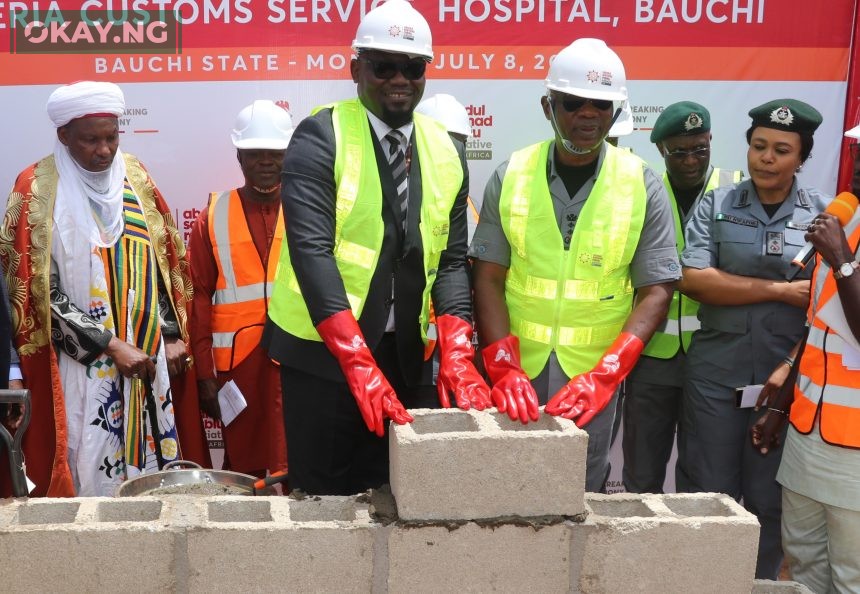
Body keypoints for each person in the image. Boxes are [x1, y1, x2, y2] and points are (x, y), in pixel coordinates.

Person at [263, 0, 490, 496]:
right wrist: (356, 360)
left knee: (396, 498)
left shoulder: (446, 149)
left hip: (405, 357)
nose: (399, 79)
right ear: (355, 69)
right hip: (323, 358)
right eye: (383, 66)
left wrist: (456, 349)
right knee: (323, 502)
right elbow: (311, 251)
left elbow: (451, 260)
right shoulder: (320, 135)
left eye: (412, 67)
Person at [469, 37, 678, 492]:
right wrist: (502, 366)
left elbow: (657, 288)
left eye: (601, 105)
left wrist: (607, 375)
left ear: (616, 112)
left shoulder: (641, 184)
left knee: (576, 491)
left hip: (591, 377)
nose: (588, 114)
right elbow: (487, 276)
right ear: (549, 106)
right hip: (515, 373)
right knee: (505, 486)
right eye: (573, 103)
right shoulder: (511, 174)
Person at [0, 81, 209, 497]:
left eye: (111, 138)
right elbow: (37, 295)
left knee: (157, 478)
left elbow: (164, 259)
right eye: (90, 140)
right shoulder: (35, 189)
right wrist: (111, 346)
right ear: (64, 136)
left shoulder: (135, 175)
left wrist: (168, 333)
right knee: (91, 465)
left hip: (148, 357)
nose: (104, 150)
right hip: (82, 365)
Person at [677, 99, 828, 578]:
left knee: (770, 500)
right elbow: (693, 278)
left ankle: (759, 585)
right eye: (759, 146)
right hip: (715, 377)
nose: (767, 157)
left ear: (801, 158)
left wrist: (791, 361)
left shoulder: (824, 216)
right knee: (708, 494)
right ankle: (703, 584)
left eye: (782, 150)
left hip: (785, 381)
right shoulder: (717, 203)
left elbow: (828, 304)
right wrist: (782, 292)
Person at [750, 124, 860, 592]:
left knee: (851, 577)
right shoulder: (845, 219)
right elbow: (818, 327)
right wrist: (781, 405)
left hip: (855, 455)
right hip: (807, 434)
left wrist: (843, 261)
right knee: (805, 572)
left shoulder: (839, 241)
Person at [622, 101, 742, 493]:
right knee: (642, 471)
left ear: (710, 141)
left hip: (713, 353)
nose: (691, 160)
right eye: (679, 151)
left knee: (703, 471)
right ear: (661, 150)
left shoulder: (736, 191)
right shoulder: (642, 190)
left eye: (700, 149)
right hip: (652, 354)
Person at [188, 100, 291, 479]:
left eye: (275, 153)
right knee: (244, 472)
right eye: (254, 154)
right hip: (238, 369)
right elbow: (197, 297)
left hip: (297, 360)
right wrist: (204, 375)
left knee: (299, 462)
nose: (266, 161)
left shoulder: (311, 207)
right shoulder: (213, 215)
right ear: (239, 157)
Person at [415, 93, 481, 240]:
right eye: (441, 144)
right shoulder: (400, 198)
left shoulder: (471, 205)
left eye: (458, 144)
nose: (451, 153)